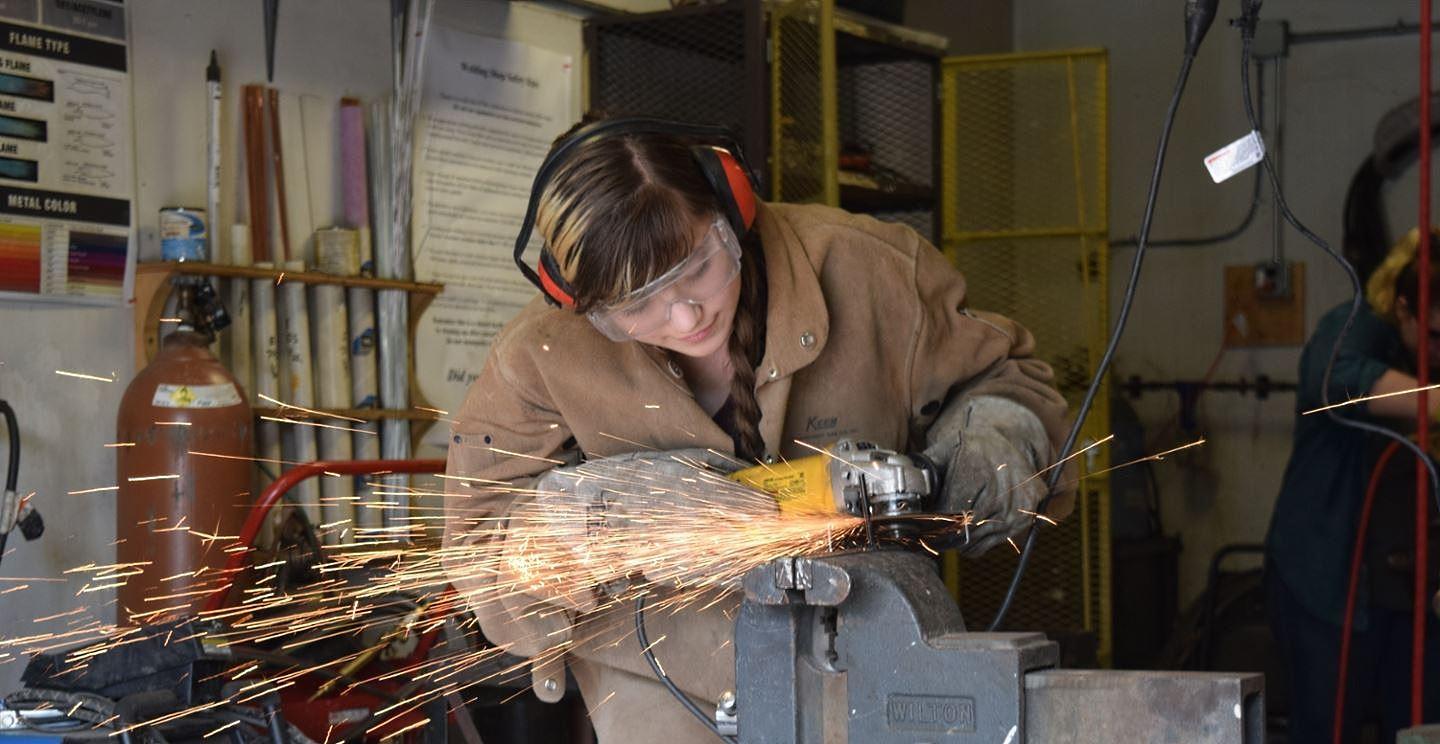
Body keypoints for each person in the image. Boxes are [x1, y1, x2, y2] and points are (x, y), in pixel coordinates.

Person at [442, 117, 1072, 743]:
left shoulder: (868, 269)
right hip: (659, 667)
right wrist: (589, 520)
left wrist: (989, 447)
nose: (686, 314)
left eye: (696, 269)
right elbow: (477, 543)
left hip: (871, 644)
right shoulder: (544, 353)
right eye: (638, 306)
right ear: (585, 305)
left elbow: (1011, 382)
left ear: (730, 207)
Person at [1267, 228, 1440, 743]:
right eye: (1434, 336)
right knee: (1327, 730)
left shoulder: (1418, 351)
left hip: (1412, 593)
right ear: (1404, 308)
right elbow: (1331, 377)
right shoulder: (1356, 327)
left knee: (1420, 727)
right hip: (1329, 583)